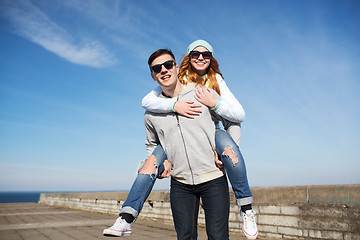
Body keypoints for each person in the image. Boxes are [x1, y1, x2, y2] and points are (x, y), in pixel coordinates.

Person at [103, 40, 258, 239]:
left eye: (168, 65)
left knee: (219, 237)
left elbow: (234, 119)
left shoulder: (202, 92)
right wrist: (163, 159)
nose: (164, 70)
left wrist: (229, 149)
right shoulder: (152, 111)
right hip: (180, 184)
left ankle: (247, 208)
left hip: (213, 178)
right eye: (157, 68)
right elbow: (151, 143)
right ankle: (125, 219)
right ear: (152, 75)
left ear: (177, 67)